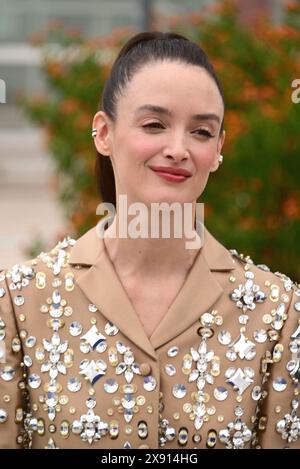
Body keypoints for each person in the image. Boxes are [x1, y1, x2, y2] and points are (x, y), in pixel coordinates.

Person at [0, 31, 299, 450]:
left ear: (218, 150)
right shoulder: (18, 302)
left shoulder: (279, 313)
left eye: (201, 132)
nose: (178, 149)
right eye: (155, 125)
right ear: (103, 133)